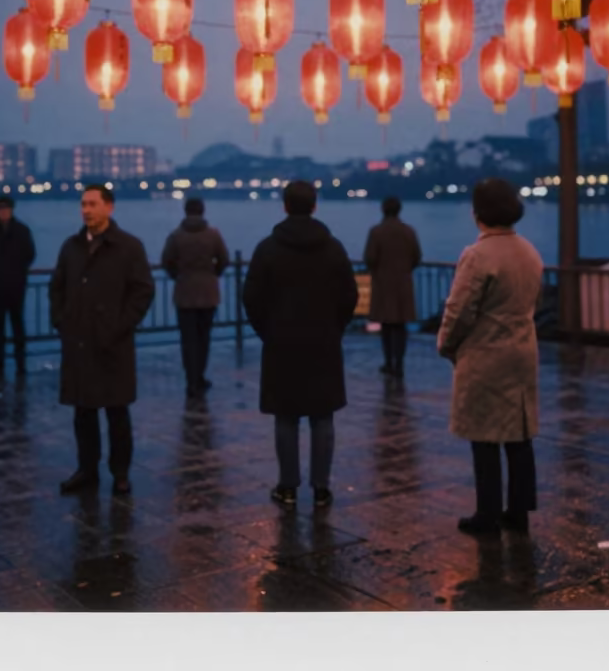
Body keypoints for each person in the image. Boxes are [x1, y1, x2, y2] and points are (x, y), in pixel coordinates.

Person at [243, 180, 358, 510]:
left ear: (284, 205)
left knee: (286, 416)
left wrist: (268, 330)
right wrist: (334, 326)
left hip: (282, 344)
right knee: (323, 417)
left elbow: (251, 297)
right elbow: (349, 295)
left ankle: (288, 486)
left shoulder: (267, 248)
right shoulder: (333, 248)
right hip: (323, 343)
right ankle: (322, 488)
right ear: (314, 205)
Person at [437, 178, 543, 537]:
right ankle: (519, 511)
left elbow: (459, 310)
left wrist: (447, 345)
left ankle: (487, 515)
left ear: (478, 212)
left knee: (484, 438)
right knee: (518, 435)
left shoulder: (478, 255)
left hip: (486, 355)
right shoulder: (529, 251)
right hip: (522, 351)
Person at [49, 185, 155, 496]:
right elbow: (57, 287)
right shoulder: (71, 246)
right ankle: (87, 470)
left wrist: (121, 325)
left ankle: (120, 473)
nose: (86, 210)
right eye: (83, 204)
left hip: (113, 344)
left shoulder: (129, 247)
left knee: (117, 412)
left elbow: (143, 291)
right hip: (79, 342)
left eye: (93, 204)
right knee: (83, 413)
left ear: (109, 207)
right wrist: (62, 321)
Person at [161, 197, 230, 398]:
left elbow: (167, 262)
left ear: (185, 211)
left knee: (188, 339)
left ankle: (191, 380)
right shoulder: (213, 235)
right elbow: (224, 260)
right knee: (204, 338)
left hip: (184, 293)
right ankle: (199, 376)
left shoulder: (176, 236)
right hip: (208, 293)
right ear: (203, 211)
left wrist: (178, 276)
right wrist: (212, 274)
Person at [363, 196, 422, 377]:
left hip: (383, 284)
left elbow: (370, 258)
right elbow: (417, 256)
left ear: (383, 210)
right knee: (400, 326)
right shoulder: (408, 231)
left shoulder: (377, 232)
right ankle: (400, 363)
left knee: (386, 327)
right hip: (403, 284)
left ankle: (389, 362)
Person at [0, 196, 36, 376]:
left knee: (17, 324)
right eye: (0, 209)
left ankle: (21, 363)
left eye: (5, 209)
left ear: (11, 210)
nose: (3, 212)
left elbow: (30, 254)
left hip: (16, 285)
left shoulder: (22, 230)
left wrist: (17, 270)